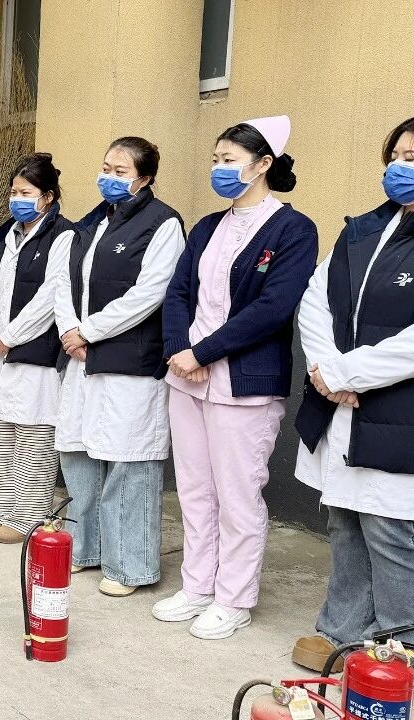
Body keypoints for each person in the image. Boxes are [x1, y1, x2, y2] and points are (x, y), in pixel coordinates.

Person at [153, 116, 317, 640]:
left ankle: (234, 597)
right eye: (216, 159)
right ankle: (197, 585)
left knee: (239, 495)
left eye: (229, 160)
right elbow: (178, 293)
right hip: (186, 377)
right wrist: (180, 351)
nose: (218, 169)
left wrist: (204, 351)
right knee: (195, 489)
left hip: (243, 383)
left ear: (263, 164)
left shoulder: (293, 229)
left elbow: (273, 308)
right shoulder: (206, 226)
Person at [290, 116, 414, 670]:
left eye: (413, 158)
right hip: (340, 397)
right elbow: (316, 298)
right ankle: (341, 631)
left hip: (394, 404)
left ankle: (399, 647)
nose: (400, 168)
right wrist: (326, 369)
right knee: (344, 518)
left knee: (392, 531)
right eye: (397, 157)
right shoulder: (363, 229)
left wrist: (350, 373)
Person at [54, 137, 185, 597]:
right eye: (106, 167)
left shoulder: (163, 223)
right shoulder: (92, 222)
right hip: (79, 356)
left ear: (144, 178)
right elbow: (64, 282)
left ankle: (130, 566)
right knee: (77, 451)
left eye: (120, 171)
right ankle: (85, 548)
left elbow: (151, 292)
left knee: (130, 461)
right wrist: (70, 330)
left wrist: (89, 331)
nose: (108, 177)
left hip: (130, 360)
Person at [0, 153, 73, 543]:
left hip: (36, 353)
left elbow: (51, 296)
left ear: (48, 196)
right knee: (0, 435)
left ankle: (28, 517)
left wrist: (9, 336)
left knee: (34, 438)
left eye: (26, 193)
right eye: (14, 192)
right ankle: (2, 510)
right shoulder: (5, 235)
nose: (17, 199)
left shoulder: (63, 236)